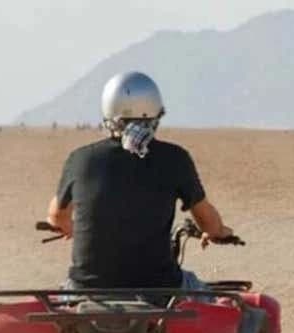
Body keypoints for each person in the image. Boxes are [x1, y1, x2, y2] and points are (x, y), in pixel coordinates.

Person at [46, 71, 233, 291]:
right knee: (223, 304)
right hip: (160, 288)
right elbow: (208, 222)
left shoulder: (81, 159)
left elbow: (56, 216)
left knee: (59, 307)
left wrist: (72, 227)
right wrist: (218, 232)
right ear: (155, 114)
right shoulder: (175, 158)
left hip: (87, 289)